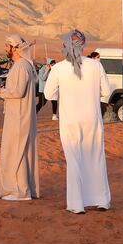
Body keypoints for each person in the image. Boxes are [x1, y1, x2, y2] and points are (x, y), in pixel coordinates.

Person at [44, 29, 112, 214]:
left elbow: (48, 94)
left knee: (74, 159)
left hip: (70, 119)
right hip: (92, 117)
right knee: (96, 156)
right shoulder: (95, 65)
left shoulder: (58, 68)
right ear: (83, 44)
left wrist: (65, 95)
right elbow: (106, 91)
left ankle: (76, 203)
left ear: (65, 44)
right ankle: (102, 200)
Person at [0, 35, 39, 201]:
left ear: (15, 48)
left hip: (18, 116)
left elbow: (17, 92)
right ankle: (20, 189)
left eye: (7, 45)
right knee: (18, 150)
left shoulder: (21, 66)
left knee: (16, 151)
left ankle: (19, 191)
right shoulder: (22, 66)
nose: (4, 48)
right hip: (18, 114)